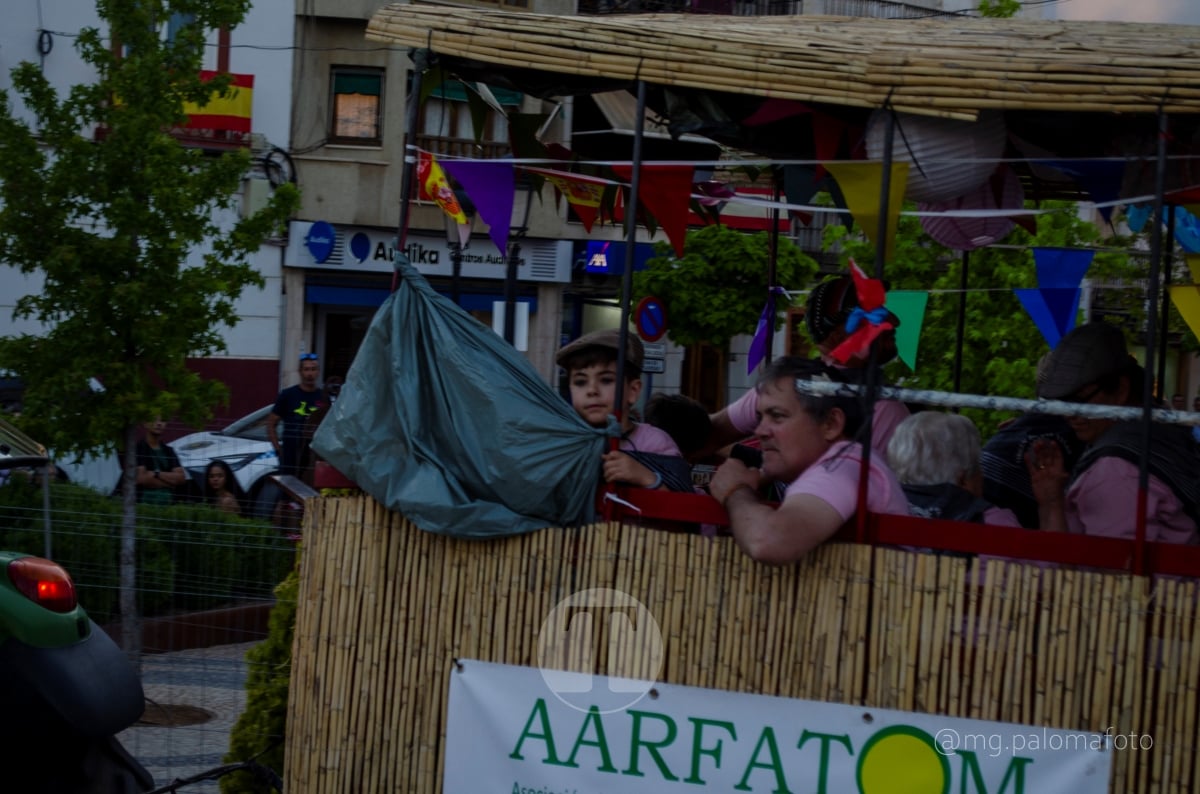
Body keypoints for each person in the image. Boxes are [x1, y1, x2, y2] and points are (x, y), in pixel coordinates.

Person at [708, 358, 910, 564]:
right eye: (760, 418)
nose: (760, 431)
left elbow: (768, 542)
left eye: (777, 416)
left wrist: (736, 491)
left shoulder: (844, 464)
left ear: (831, 424)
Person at [1027, 322, 1200, 543]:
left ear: (1121, 391)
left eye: (1080, 400)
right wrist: (1052, 503)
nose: (1069, 414)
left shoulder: (1115, 470)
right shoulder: (1159, 429)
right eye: (1063, 403)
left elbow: (1110, 571)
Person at [706, 274, 910, 458]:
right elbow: (708, 434)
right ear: (838, 336)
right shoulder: (884, 408)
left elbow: (707, 435)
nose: (894, 321)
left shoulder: (781, 387)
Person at [556, 328, 690, 491]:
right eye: (580, 382)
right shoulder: (564, 442)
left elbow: (680, 502)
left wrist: (646, 477)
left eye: (606, 380)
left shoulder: (656, 443)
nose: (591, 390)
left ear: (633, 391)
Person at [886, 411, 1021, 526]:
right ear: (963, 480)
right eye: (979, 468)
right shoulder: (995, 523)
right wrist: (1043, 508)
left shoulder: (881, 508)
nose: (982, 476)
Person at [267, 353, 326, 477]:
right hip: (290, 456)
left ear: (318, 372)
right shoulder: (288, 395)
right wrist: (278, 450)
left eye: (313, 369)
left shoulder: (323, 397)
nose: (310, 374)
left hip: (314, 458)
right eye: (306, 369)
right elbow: (271, 424)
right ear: (300, 371)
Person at [135, 417, 186, 505]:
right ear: (145, 424)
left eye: (162, 420)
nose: (159, 423)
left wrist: (156, 474)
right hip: (144, 504)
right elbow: (141, 479)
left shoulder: (169, 451)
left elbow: (181, 478)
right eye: (154, 419)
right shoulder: (139, 448)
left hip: (168, 506)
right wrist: (170, 483)